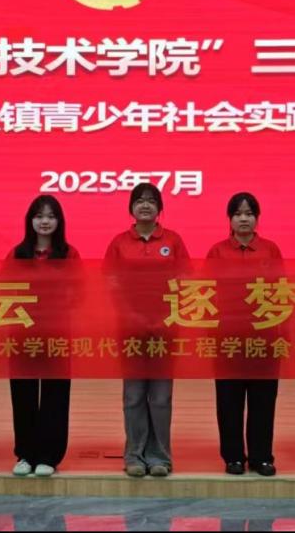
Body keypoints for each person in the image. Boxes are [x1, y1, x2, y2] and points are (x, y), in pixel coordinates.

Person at [104, 183, 190, 478]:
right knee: (134, 395)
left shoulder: (173, 241)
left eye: (151, 201)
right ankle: (134, 455)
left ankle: (160, 457)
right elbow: (111, 285)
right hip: (130, 329)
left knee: (161, 397)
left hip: (165, 329)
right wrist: (132, 317)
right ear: (131, 207)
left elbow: (185, 283)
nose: (145, 205)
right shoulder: (119, 243)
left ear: (159, 208)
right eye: (139, 200)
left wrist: (166, 317)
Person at [206, 192, 282, 477]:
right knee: (229, 399)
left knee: (263, 399)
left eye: (249, 213)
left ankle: (262, 457)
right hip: (228, 338)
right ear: (230, 219)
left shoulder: (270, 250)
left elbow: (281, 292)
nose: (244, 219)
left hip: (264, 337)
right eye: (238, 214)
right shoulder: (217, 252)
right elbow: (207, 293)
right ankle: (233, 456)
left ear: (257, 218)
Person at [7, 195, 80, 478]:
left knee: (55, 394)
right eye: (39, 216)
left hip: (56, 333)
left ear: (59, 221)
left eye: (50, 216)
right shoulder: (17, 254)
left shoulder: (69, 254)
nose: (45, 221)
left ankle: (49, 455)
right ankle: (26, 454)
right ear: (30, 221)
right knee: (23, 394)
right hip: (22, 335)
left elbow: (78, 292)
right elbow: (3, 289)